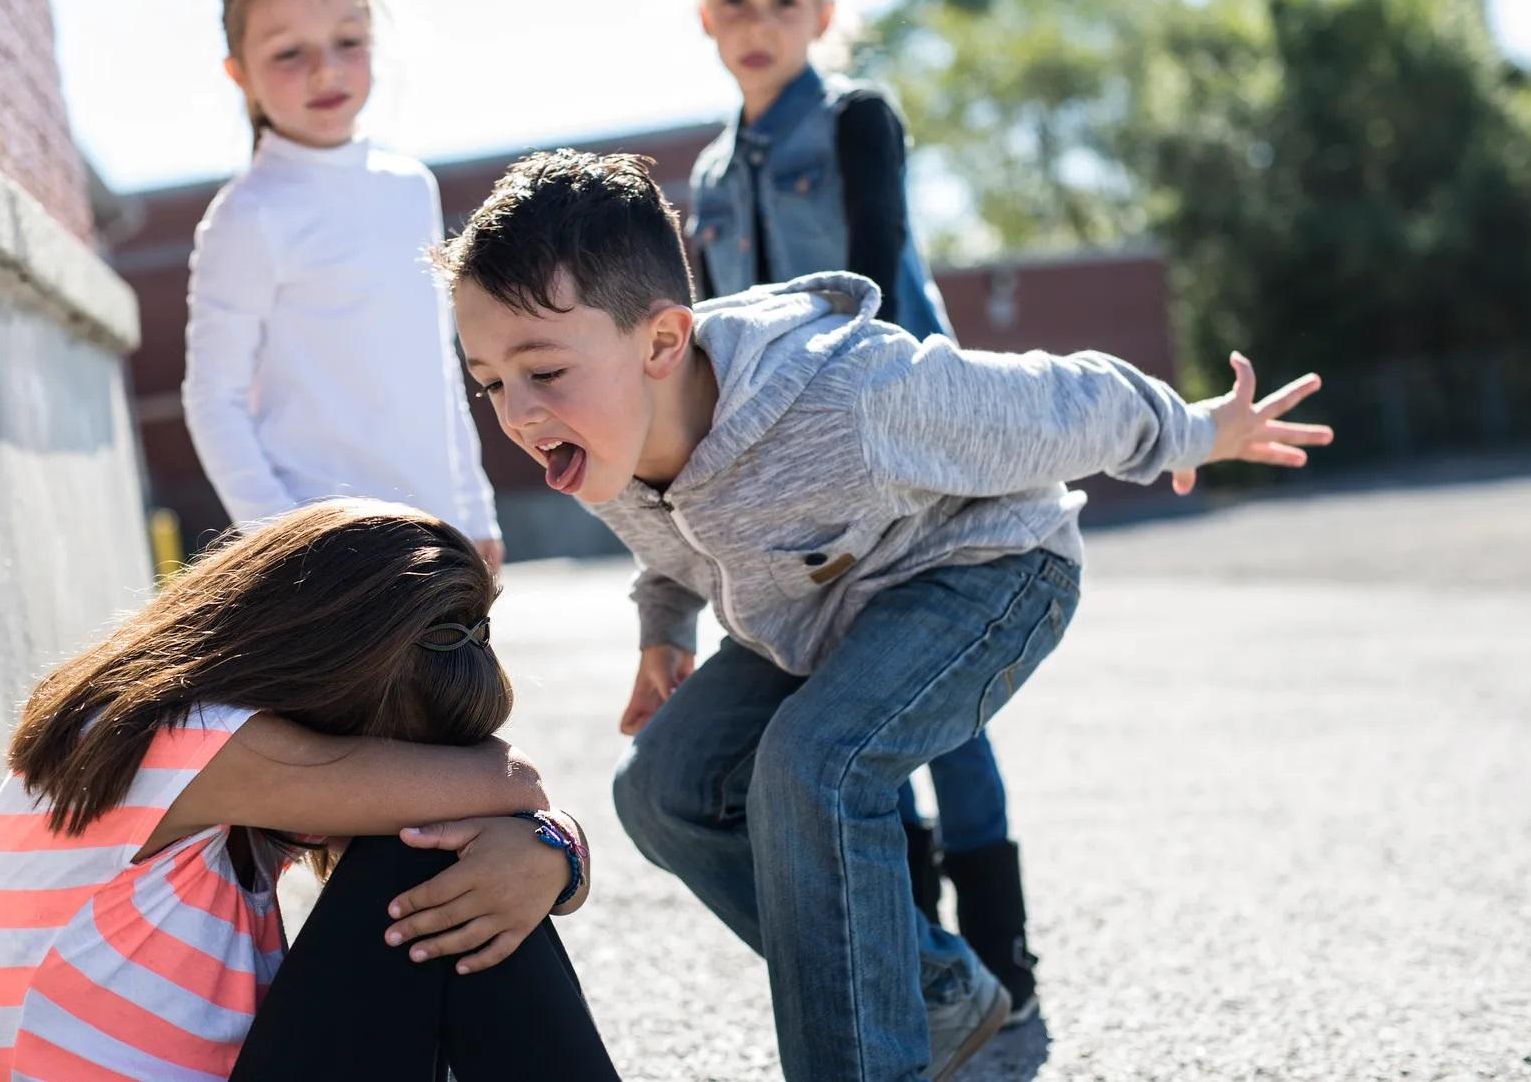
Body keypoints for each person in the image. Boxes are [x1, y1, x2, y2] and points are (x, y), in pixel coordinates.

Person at [441, 149, 1332, 1080]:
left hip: (988, 573)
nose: (519, 412)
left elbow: (1067, 399)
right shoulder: (595, 435)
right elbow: (667, 540)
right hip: (819, 610)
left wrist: (1195, 432)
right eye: (489, 381)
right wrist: (663, 630)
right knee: (660, 788)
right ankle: (934, 990)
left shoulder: (851, 396)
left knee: (812, 766)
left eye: (541, 369)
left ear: (663, 342)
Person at [0, 499, 619, 1081]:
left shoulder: (211, 767)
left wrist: (553, 850)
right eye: (389, 752)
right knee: (427, 852)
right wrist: (546, 837)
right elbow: (515, 783)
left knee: (465, 868)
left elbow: (511, 803)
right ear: (324, 676)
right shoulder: (180, 737)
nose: (392, 779)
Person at [683, 0, 1033, 1020]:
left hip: (906, 449)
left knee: (943, 710)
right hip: (789, 480)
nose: (759, 22)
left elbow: (877, 274)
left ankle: (1002, 957)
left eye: (785, 1)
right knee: (847, 703)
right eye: (735, 1)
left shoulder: (854, 120)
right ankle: (924, 966)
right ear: (704, 18)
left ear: (824, 17)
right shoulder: (704, 172)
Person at [183, 0, 501, 569]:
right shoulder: (248, 215)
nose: (325, 71)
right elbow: (211, 398)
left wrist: (475, 510)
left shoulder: (411, 187)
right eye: (288, 53)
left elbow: (437, 367)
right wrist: (281, 541)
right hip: (327, 557)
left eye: (348, 41)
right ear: (239, 73)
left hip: (439, 535)